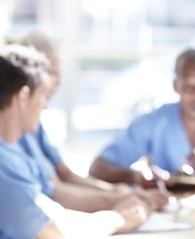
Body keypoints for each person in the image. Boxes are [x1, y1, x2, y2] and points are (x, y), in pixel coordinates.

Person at [0, 45, 151, 239]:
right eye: (44, 95)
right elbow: (57, 232)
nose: (45, 106)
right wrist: (119, 217)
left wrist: (118, 203)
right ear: (23, 96)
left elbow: (54, 216)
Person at [10, 29, 169, 212]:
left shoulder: (34, 126)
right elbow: (56, 191)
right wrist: (120, 200)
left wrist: (116, 191)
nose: (58, 83)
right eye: (53, 73)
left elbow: (65, 175)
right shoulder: (13, 135)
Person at [89, 48, 195, 187]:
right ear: (176, 86)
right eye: (189, 85)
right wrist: (136, 177)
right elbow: (98, 168)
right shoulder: (154, 120)